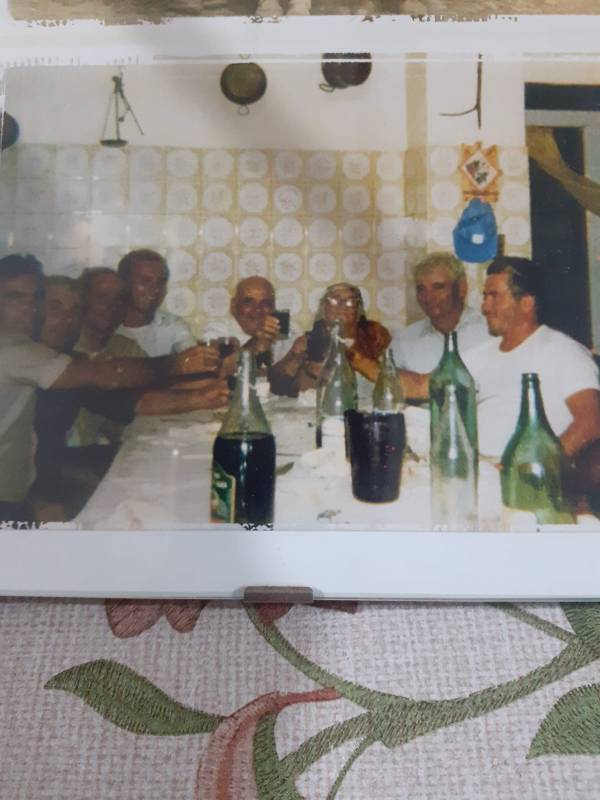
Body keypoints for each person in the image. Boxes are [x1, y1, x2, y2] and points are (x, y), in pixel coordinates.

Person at [0, 254, 222, 524]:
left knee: (151, 478)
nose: (30, 309)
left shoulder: (62, 362)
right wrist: (179, 364)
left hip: (35, 478)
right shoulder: (14, 351)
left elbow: (128, 402)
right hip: (13, 501)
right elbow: (109, 375)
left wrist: (203, 396)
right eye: (15, 298)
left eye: (75, 310)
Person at [399, 257, 600, 461]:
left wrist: (531, 466)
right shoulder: (480, 354)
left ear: (527, 303)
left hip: (524, 473)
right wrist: (376, 362)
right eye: (485, 297)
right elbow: (421, 385)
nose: (485, 307)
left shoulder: (563, 351)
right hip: (476, 465)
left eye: (495, 297)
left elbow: (591, 422)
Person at [73, 267, 225, 446]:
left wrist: (221, 378)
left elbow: (161, 384)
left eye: (119, 299)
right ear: (81, 302)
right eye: (102, 297)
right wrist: (197, 393)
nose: (112, 306)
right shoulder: (69, 351)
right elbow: (135, 404)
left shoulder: (124, 345)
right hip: (76, 453)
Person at [270, 282, 391, 398]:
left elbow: (390, 381)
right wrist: (293, 357)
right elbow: (275, 386)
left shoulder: (373, 338)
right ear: (324, 309)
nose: (342, 306)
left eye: (350, 302)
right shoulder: (309, 342)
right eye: (334, 300)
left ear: (358, 312)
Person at [391, 252, 490, 372]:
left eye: (438, 287)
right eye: (421, 289)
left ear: (461, 288)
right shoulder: (404, 340)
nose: (428, 297)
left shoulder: (489, 332)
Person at [117, 249, 196, 356]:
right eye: (145, 281)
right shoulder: (105, 327)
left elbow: (191, 356)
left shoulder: (171, 324)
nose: (156, 289)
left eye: (161, 282)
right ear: (124, 284)